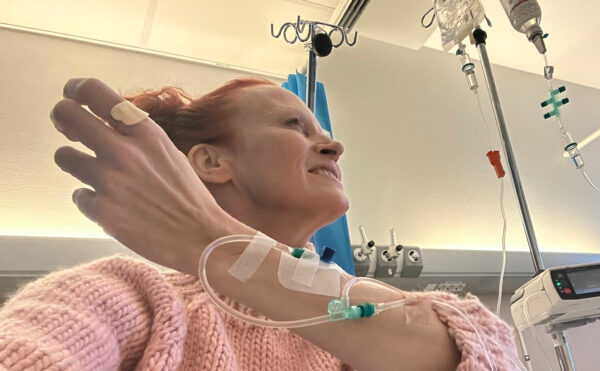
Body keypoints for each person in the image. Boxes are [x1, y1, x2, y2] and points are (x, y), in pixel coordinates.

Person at [0, 78, 522, 370]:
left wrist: (218, 244)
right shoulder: (127, 297)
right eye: (294, 124)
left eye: (322, 129)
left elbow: (493, 355)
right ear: (210, 163)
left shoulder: (389, 312)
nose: (334, 144)